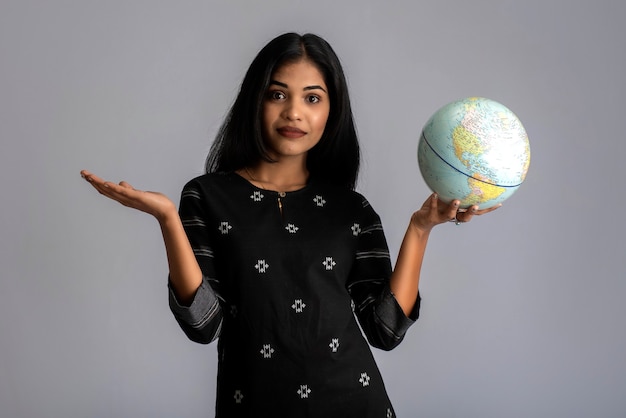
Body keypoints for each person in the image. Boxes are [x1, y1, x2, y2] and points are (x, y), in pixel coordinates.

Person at [81, 32, 498, 417]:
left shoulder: (352, 210)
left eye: (312, 98)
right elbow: (202, 323)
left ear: (332, 111)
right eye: (278, 94)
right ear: (255, 101)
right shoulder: (207, 197)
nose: (294, 112)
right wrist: (168, 218)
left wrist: (421, 228)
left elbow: (385, 329)